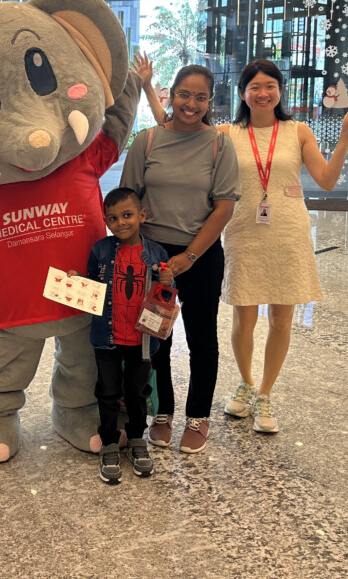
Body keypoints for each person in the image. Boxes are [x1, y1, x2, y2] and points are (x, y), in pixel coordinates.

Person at [219, 60, 348, 433]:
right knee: (243, 318)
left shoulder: (298, 131)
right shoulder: (226, 133)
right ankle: (247, 383)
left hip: (287, 232)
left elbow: (327, 181)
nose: (263, 93)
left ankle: (265, 392)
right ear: (242, 93)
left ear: (280, 91)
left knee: (281, 318)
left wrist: (345, 137)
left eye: (270, 85)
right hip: (243, 232)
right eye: (255, 86)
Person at [120, 64, 240, 454]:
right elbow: (128, 201)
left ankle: (198, 415)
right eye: (184, 95)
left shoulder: (220, 145)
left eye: (200, 97)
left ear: (210, 101)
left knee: (203, 337)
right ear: (170, 95)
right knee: (157, 338)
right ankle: (163, 411)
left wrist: (189, 255)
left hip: (200, 255)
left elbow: (223, 208)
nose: (191, 104)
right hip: (154, 257)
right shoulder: (148, 141)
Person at [71, 187, 172, 484]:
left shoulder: (157, 253)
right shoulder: (101, 250)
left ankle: (138, 439)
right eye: (112, 218)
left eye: (127, 215)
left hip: (142, 341)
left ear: (142, 215)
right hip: (108, 338)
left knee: (137, 393)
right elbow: (93, 283)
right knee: (107, 392)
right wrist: (79, 282)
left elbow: (164, 292)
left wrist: (168, 278)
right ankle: (110, 443)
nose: (120, 223)